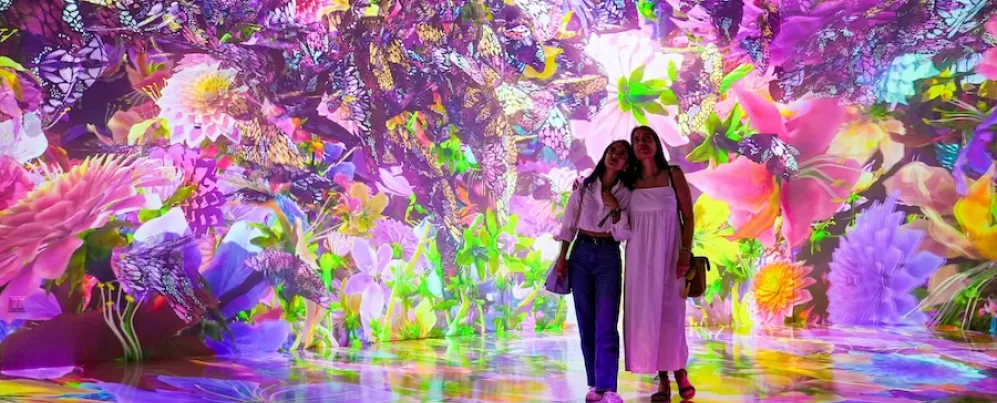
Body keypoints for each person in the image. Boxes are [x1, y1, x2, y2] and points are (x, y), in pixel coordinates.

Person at [554, 140, 635, 402]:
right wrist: (562, 257)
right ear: (605, 153)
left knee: (607, 322)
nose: (615, 156)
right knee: (585, 319)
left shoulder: (626, 193)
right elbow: (569, 222)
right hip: (581, 251)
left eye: (622, 154)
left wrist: (615, 208)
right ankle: (594, 386)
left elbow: (623, 233)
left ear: (626, 163)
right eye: (612, 151)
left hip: (608, 254)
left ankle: (608, 387)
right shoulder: (585, 184)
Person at [624, 125, 696, 402]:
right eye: (637, 140)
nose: (642, 143)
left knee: (671, 315)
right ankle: (663, 378)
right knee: (647, 316)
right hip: (639, 258)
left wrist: (685, 253)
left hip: (670, 254)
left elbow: (688, 218)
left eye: (647, 138)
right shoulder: (628, 182)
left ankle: (680, 370)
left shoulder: (673, 174)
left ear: (656, 143)